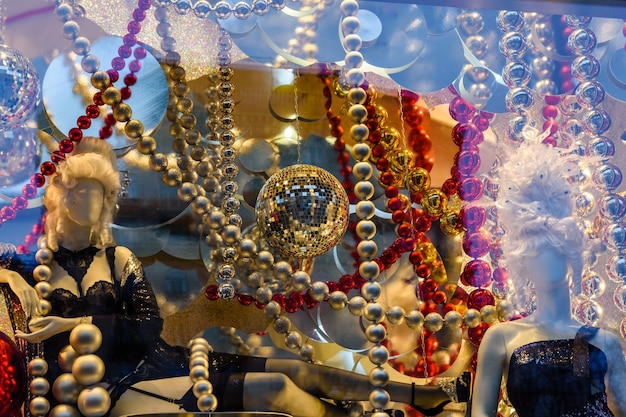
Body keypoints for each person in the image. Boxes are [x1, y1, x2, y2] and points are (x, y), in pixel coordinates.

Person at [1, 137, 471, 417]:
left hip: (158, 360)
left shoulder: (119, 257)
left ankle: (417, 394)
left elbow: (146, 330)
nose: (90, 206)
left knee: (298, 368)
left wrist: (75, 326)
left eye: (98, 196)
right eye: (80, 195)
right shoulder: (37, 266)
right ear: (60, 202)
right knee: (279, 388)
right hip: (113, 386)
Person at [471, 134, 626, 417]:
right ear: (522, 265)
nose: (544, 259)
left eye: (552, 248)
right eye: (534, 252)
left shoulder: (604, 342)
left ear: (570, 256)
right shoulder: (502, 338)